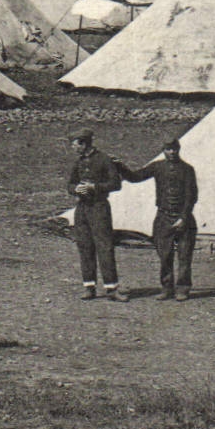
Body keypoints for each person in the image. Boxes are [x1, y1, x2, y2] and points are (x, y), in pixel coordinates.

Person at [117, 138, 200, 301]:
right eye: (168, 149)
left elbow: (192, 196)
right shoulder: (157, 167)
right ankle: (167, 288)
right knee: (164, 255)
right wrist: (120, 166)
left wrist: (183, 217)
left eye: (174, 149)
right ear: (163, 150)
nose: (171, 152)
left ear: (179, 149)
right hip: (163, 217)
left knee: (184, 256)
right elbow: (135, 177)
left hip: (184, 218)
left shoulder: (187, 169)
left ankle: (183, 289)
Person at [67, 129, 126, 302]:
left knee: (104, 247)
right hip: (82, 208)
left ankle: (111, 288)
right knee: (85, 246)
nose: (73, 148)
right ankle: (89, 287)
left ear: (84, 143)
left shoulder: (104, 160)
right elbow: (70, 184)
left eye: (74, 144)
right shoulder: (79, 162)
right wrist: (76, 189)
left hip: (99, 208)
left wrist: (95, 187)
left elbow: (116, 184)